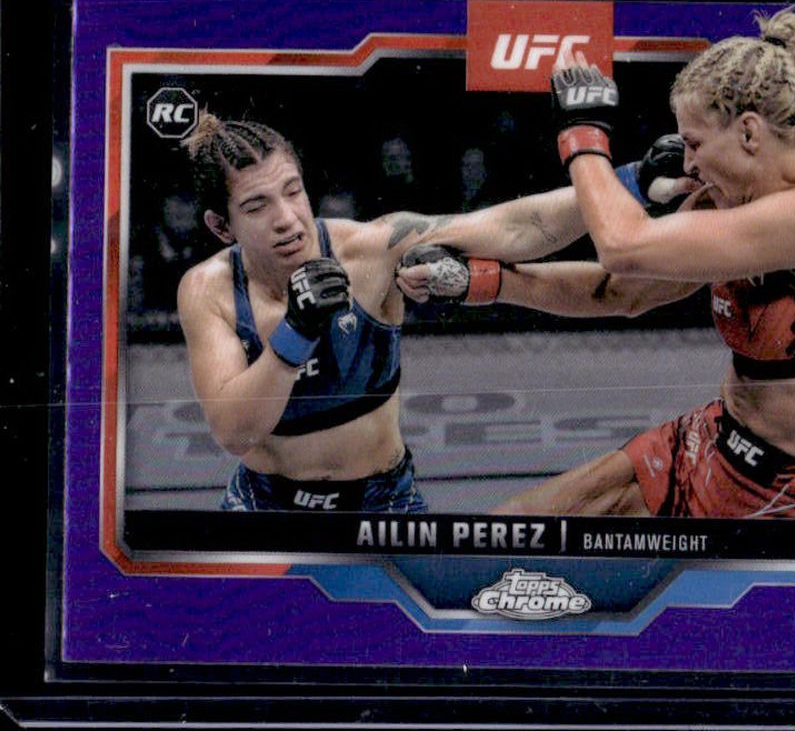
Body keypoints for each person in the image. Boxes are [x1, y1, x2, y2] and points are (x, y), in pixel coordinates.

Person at [399, 8, 795, 520]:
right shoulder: (721, 201)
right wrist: (480, 281)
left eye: (695, 143)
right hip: (711, 444)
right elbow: (621, 290)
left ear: (749, 133)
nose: (689, 163)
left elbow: (623, 245)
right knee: (508, 528)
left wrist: (582, 135)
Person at [174, 112, 684, 512]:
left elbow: (516, 227)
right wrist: (297, 330)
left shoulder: (370, 250)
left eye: (293, 191)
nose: (287, 219)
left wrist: (631, 181)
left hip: (380, 504)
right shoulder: (208, 290)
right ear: (222, 227)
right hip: (263, 506)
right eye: (257, 206)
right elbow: (234, 432)